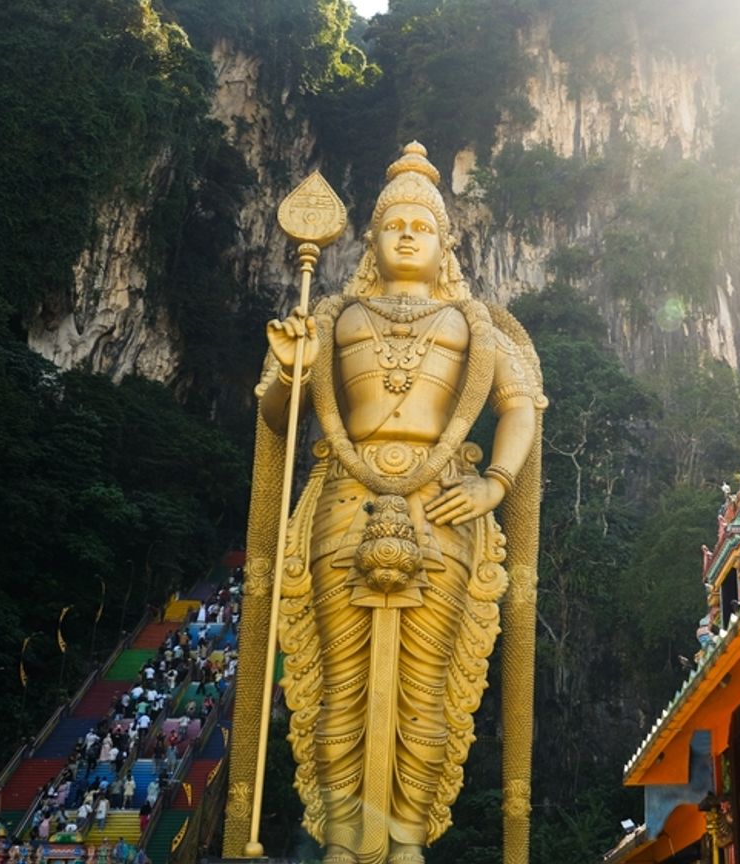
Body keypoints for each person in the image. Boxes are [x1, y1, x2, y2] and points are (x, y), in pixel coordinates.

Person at [234, 143, 544, 864]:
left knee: (427, 688)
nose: (408, 233)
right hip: (345, 495)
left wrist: (494, 481)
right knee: (341, 685)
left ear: (445, 244)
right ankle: (344, 842)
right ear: (370, 239)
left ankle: (405, 842)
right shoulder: (331, 315)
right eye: (394, 222)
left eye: (423, 225)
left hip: (444, 506)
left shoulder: (478, 326)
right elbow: (278, 418)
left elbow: (521, 405)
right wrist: (287, 369)